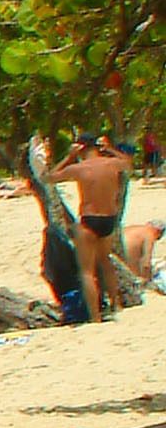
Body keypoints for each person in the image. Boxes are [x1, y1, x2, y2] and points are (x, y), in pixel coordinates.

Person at [47, 133, 134, 320]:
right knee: (106, 261)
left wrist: (68, 157)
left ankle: (95, 316)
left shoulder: (78, 168)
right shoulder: (111, 164)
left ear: (80, 148)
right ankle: (116, 304)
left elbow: (49, 177)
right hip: (109, 219)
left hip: (89, 219)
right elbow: (128, 163)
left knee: (87, 271)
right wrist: (110, 148)